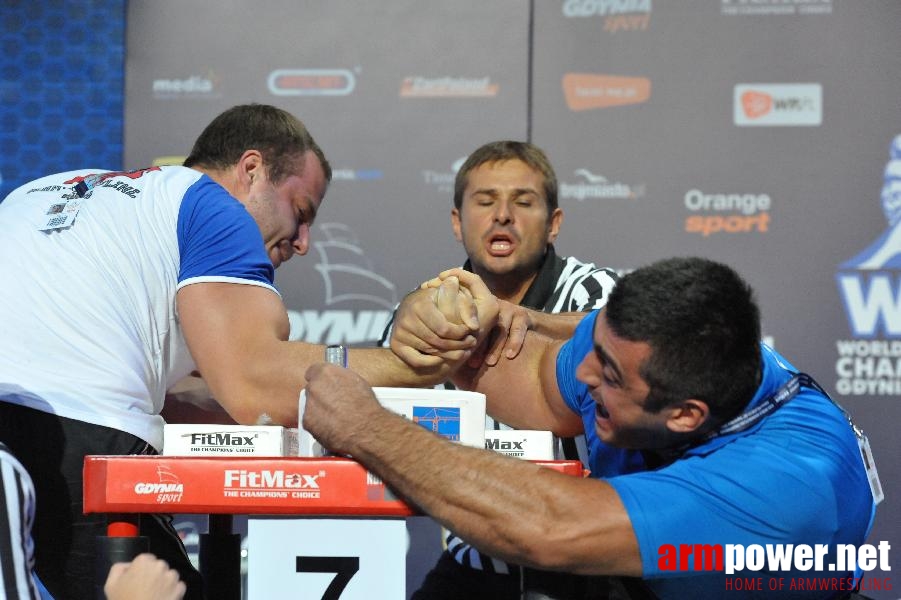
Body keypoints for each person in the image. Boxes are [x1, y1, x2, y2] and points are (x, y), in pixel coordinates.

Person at [0, 104, 455, 599]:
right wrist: (416, 366)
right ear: (251, 171)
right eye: (300, 212)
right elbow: (254, 389)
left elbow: (192, 399)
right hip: (79, 449)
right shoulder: (213, 207)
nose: (303, 242)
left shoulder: (45, 192)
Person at [303, 257, 879, 599]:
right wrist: (439, 315)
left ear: (685, 417)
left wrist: (364, 426)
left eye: (605, 374)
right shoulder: (643, 356)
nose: (581, 375)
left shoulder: (789, 489)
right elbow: (520, 377)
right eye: (594, 348)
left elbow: (547, 526)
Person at [379, 140, 619, 598]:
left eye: (523, 202)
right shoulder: (424, 310)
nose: (503, 215)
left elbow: (622, 329)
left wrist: (532, 320)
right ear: (457, 222)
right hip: (478, 558)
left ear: (554, 224)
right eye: (485, 201)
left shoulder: (593, 288)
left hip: (588, 561)